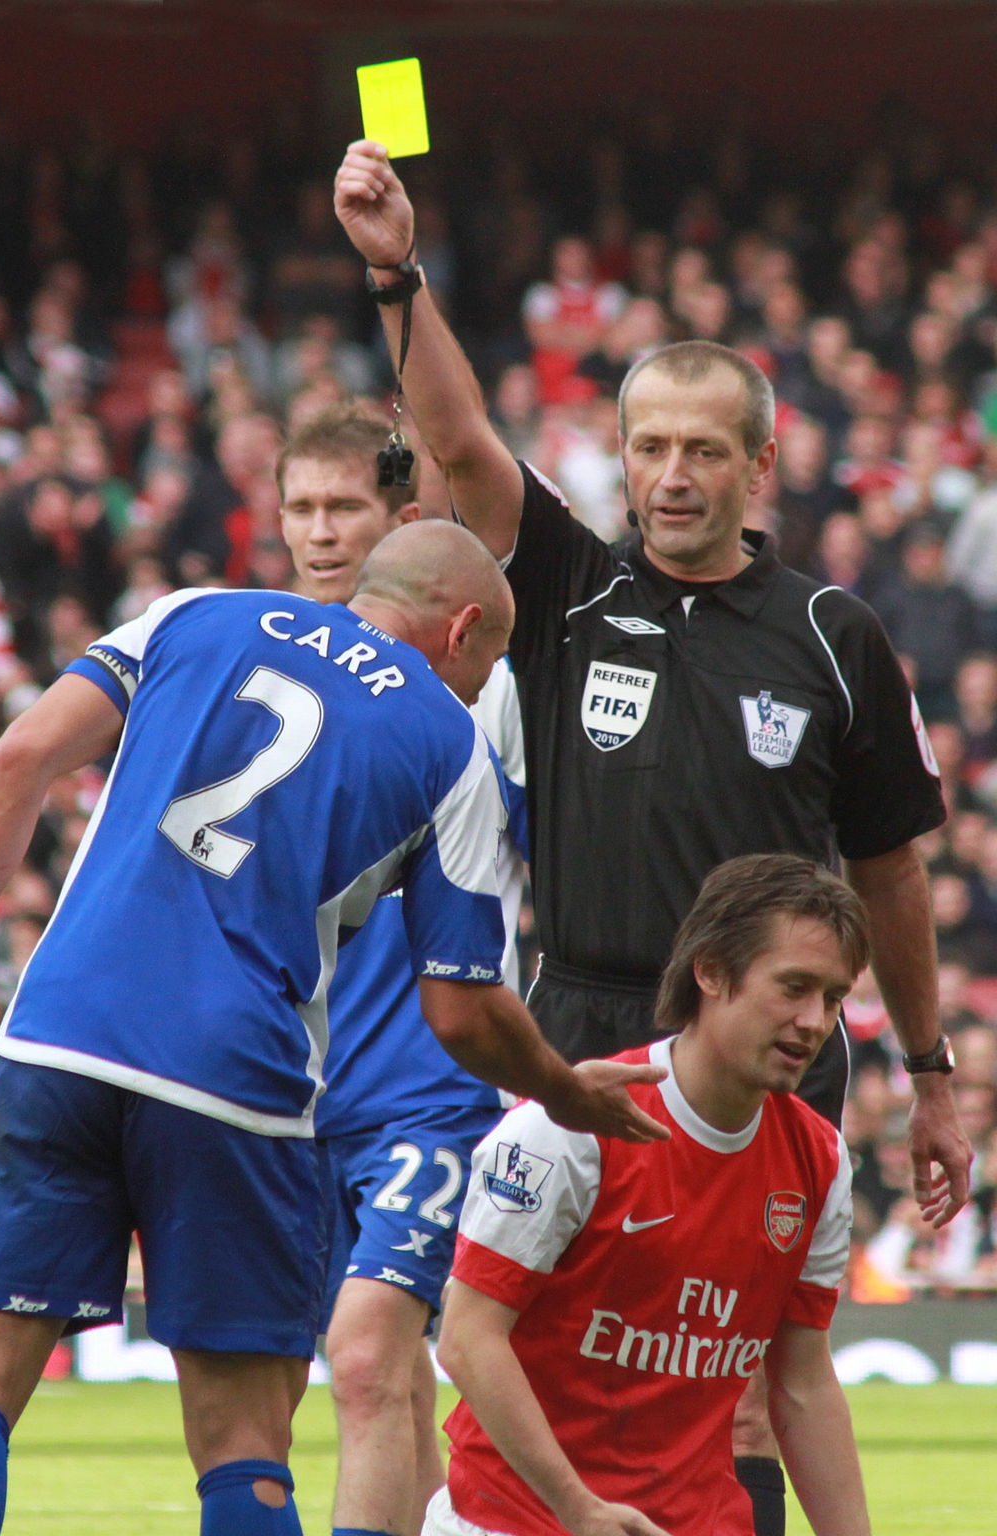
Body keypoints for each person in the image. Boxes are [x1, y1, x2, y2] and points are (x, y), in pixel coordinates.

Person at [333, 139, 972, 1536]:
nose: (671, 475)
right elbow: (454, 445)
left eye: (701, 448)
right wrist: (395, 269)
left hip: (768, 1042)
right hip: (585, 1023)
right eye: (647, 446)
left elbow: (893, 873)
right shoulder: (567, 586)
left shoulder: (836, 636)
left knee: (740, 1377)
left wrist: (932, 1073)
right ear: (620, 455)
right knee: (549, 1346)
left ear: (761, 460)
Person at [0, 518, 664, 1536]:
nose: (483, 686)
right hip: (233, 1082)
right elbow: (461, 1007)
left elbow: (19, 758)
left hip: (57, 1041)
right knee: (243, 1437)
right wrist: (563, 1087)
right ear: (462, 629)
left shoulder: (193, 614)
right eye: (490, 661)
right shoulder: (447, 739)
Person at [431, 854, 876, 1536]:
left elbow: (802, 1383)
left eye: (834, 997)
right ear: (712, 972)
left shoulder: (819, 1159)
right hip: (518, 1522)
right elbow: (466, 1338)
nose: (815, 1021)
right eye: (794, 987)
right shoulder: (566, 1128)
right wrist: (577, 1510)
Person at [275, 404, 528, 1536]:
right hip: (276, 1093)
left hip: (428, 1089)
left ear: (401, 525)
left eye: (346, 510)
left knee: (370, 1354)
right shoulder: (252, 663)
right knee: (309, 1385)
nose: (322, 534)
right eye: (301, 509)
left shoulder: (486, 687)